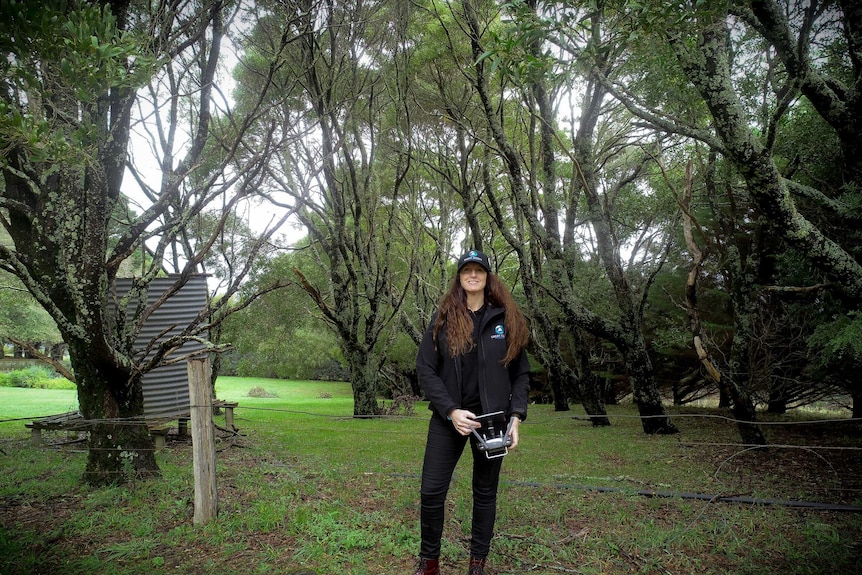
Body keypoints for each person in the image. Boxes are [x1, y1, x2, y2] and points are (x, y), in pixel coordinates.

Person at [412, 249, 531, 575]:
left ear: (488, 277)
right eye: (468, 270)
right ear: (460, 278)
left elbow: (520, 374)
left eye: (480, 270)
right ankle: (429, 562)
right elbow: (425, 370)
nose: (474, 274)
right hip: (449, 420)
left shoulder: (505, 321)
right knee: (431, 491)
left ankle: (477, 563)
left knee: (485, 493)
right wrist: (450, 410)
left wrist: (516, 417)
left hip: (493, 423)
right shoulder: (445, 321)